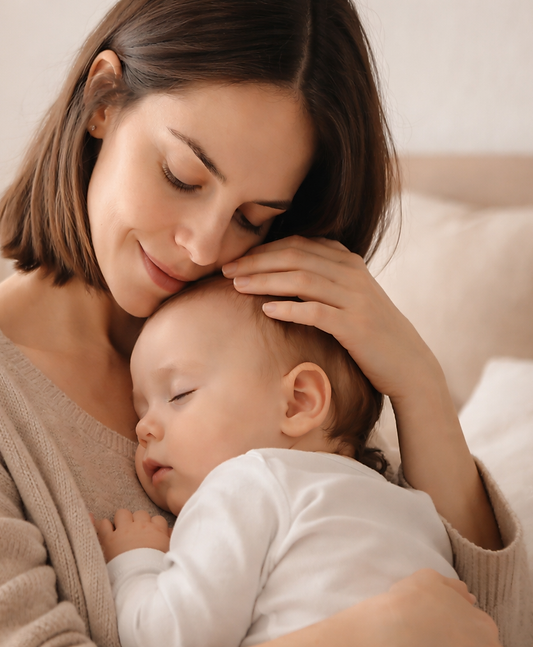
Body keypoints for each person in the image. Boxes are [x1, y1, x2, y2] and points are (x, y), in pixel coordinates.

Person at [0, 0, 533, 646]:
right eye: (182, 176)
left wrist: (417, 385)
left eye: (254, 218)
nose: (204, 244)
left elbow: (495, 628)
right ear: (102, 100)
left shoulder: (271, 371)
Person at [94, 277, 460, 647]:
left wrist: (135, 560)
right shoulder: (416, 508)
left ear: (298, 401)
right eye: (139, 409)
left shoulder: (246, 483)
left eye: (178, 394)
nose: (143, 428)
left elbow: (171, 637)